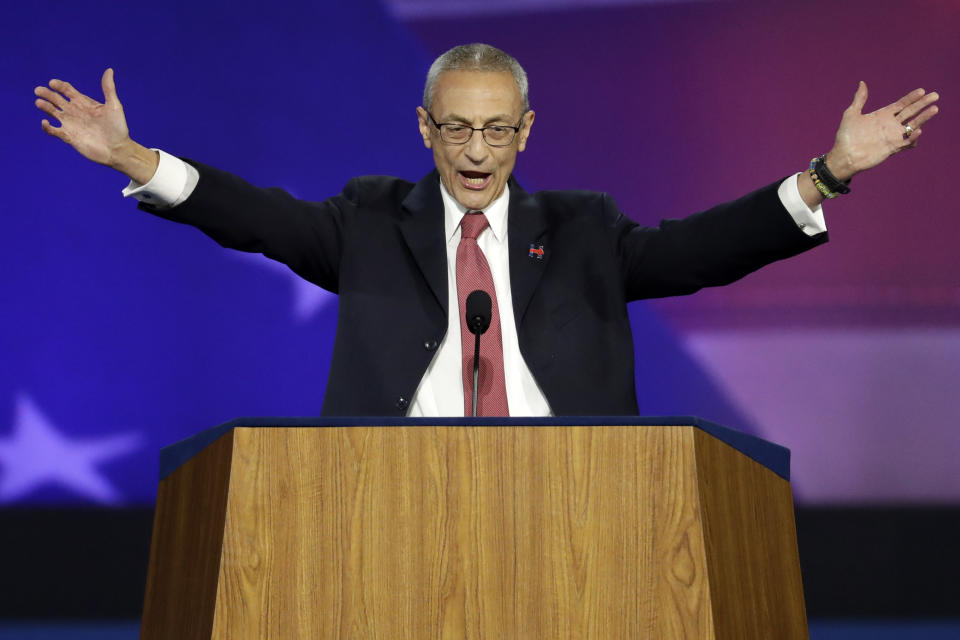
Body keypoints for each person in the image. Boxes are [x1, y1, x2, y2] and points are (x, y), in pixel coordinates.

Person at [34, 44, 939, 417]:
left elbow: (699, 249)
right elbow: (257, 218)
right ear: (424, 129)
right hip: (389, 505)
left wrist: (827, 174)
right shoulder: (369, 221)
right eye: (457, 128)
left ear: (526, 131)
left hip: (575, 507)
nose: (477, 150)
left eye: (497, 128)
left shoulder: (585, 229)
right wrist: (136, 159)